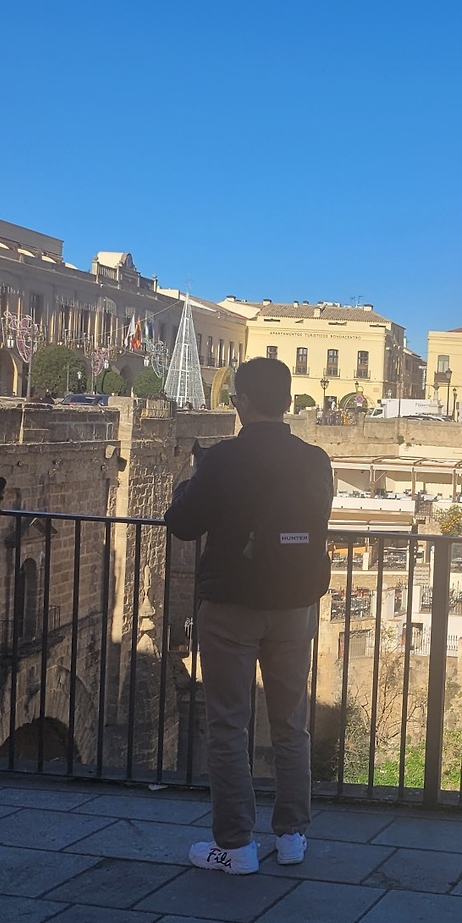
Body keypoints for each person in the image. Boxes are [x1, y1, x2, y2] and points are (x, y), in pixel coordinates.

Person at [164, 357, 333, 875]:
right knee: (291, 725)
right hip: (295, 606)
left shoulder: (221, 460)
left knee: (228, 725)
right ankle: (292, 836)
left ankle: (235, 845)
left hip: (232, 606)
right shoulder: (316, 460)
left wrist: (192, 479)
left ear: (241, 402)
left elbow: (182, 524)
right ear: (287, 402)